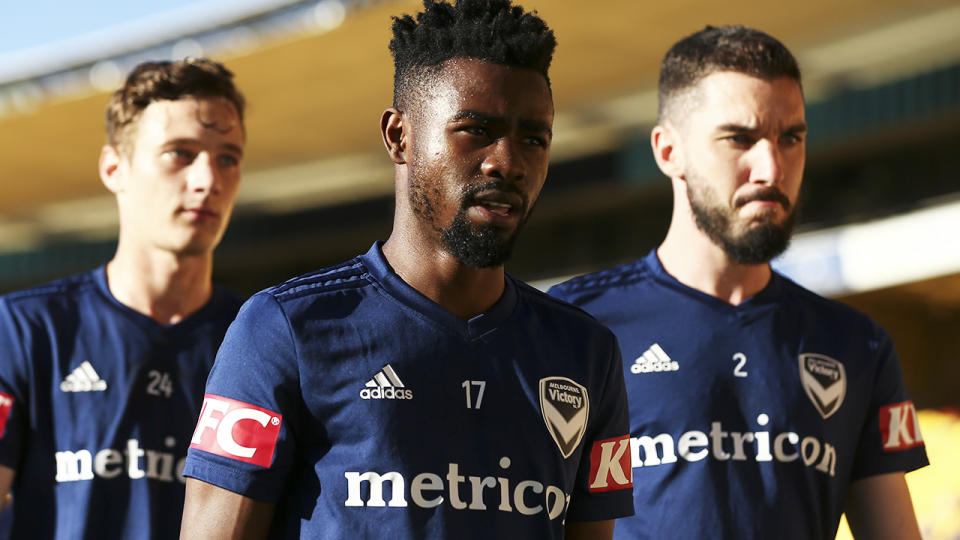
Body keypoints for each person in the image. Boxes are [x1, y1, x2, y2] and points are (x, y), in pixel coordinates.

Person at [179, 1, 634, 538]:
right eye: (476, 130)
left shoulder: (586, 353)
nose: (508, 161)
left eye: (535, 138)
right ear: (399, 136)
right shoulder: (284, 328)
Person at [549, 25, 928, 540]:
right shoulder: (573, 326)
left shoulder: (855, 346)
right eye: (739, 139)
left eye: (791, 137)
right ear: (668, 151)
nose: (771, 167)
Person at [0, 58, 246, 539]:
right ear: (114, 168)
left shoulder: (262, 340)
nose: (208, 180)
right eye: (180, 153)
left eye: (228, 158)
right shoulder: (24, 329)